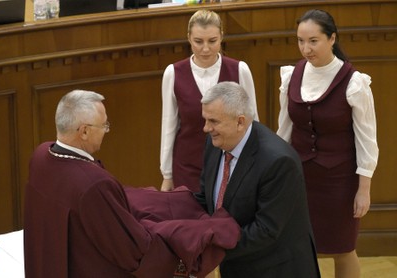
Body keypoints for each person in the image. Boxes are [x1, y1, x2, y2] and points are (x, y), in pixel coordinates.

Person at [23, 89, 241, 278]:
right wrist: (179, 256)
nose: (107, 130)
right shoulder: (93, 185)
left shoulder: (41, 155)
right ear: (84, 131)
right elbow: (131, 251)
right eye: (104, 125)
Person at [276, 9, 379, 278]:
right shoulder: (291, 76)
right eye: (300, 41)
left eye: (313, 41)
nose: (305, 48)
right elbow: (284, 131)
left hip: (339, 181)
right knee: (296, 244)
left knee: (342, 248)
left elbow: (367, 140)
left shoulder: (354, 83)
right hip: (299, 178)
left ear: (332, 38)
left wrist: (363, 189)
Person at [194, 81, 320, 278]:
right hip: (237, 266)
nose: (206, 128)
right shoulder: (215, 144)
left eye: (213, 121)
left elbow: (266, 230)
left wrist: (211, 249)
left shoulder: (278, 162)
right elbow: (206, 198)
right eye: (205, 120)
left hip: (275, 269)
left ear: (240, 121)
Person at [160, 9, 259, 192]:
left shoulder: (240, 70)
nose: (205, 48)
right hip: (187, 166)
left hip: (231, 164)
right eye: (198, 41)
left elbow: (252, 121)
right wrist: (167, 175)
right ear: (189, 38)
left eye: (212, 41)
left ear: (221, 36)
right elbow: (169, 126)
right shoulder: (173, 73)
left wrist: (255, 164)